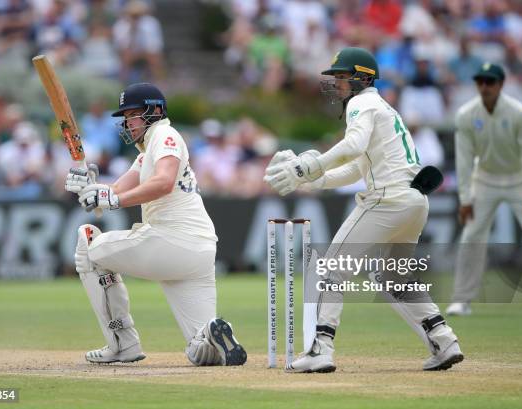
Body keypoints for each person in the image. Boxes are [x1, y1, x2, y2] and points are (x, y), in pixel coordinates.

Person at [264, 47, 463, 373]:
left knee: (330, 269)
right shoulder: (383, 108)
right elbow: (358, 168)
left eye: (343, 77)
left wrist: (311, 165)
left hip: (388, 200)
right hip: (414, 202)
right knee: (393, 276)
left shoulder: (363, 102)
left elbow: (353, 146)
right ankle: (444, 340)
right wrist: (315, 180)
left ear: (363, 78)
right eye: (336, 78)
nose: (337, 84)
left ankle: (320, 349)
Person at [64, 83, 247, 366]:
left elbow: (162, 182)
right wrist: (87, 189)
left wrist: (109, 198)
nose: (128, 121)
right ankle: (214, 333)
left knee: (89, 246)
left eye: (134, 114)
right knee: (201, 351)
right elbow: (111, 193)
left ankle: (122, 343)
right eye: (125, 116)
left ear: (155, 111)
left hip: (172, 240)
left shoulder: (164, 134)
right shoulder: (145, 153)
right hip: (198, 252)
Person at [447, 63, 522, 317]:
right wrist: (465, 199)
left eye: (490, 82)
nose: (484, 87)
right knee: (471, 235)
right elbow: (464, 159)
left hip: (519, 180)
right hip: (484, 180)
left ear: (501, 84)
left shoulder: (518, 113)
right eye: (480, 82)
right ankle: (461, 300)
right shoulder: (466, 114)